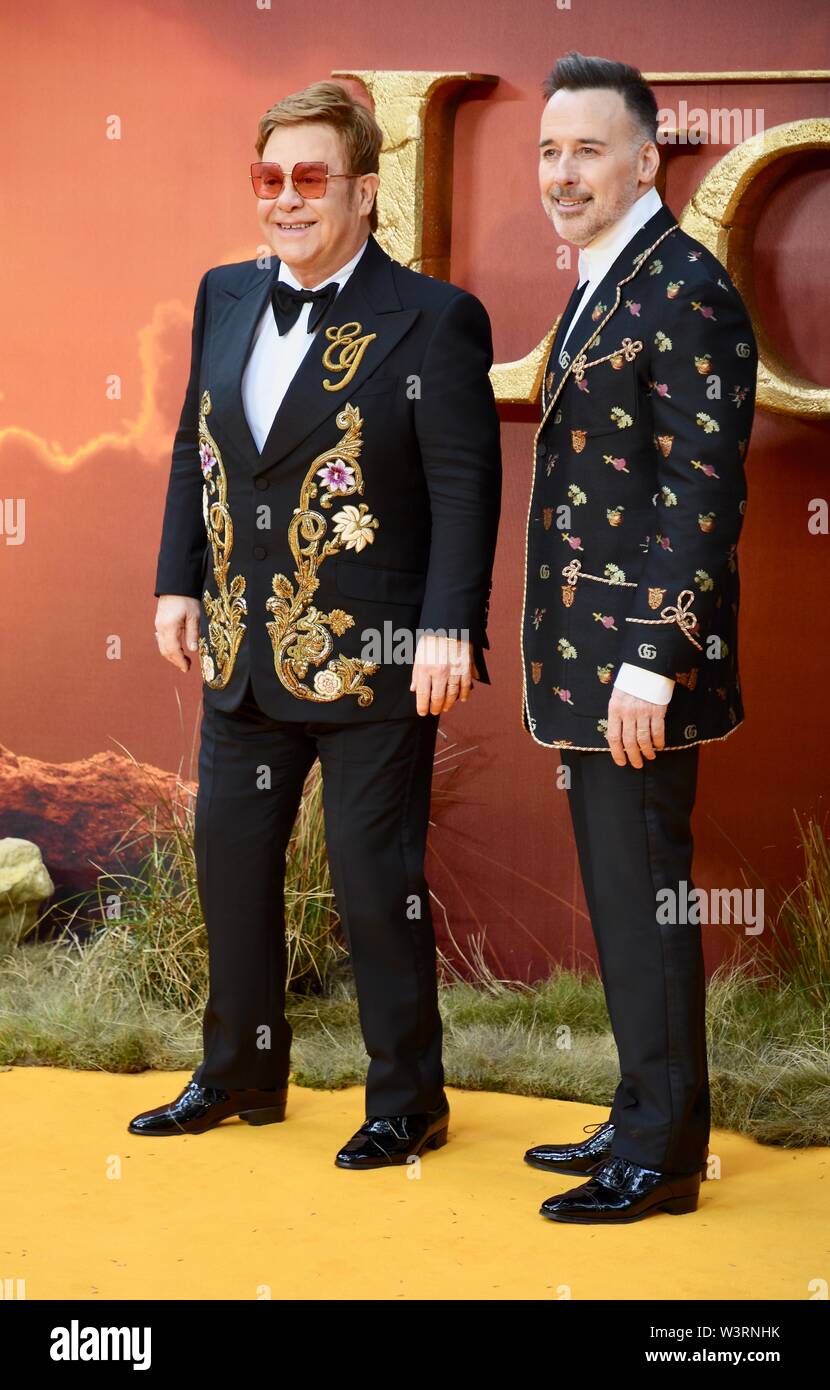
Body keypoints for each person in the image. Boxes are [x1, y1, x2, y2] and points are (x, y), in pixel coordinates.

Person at [130, 81, 502, 1168]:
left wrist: (448, 628)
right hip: (242, 647)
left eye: (308, 179)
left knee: (372, 874)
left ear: (364, 191)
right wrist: (176, 580)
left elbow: (465, 485)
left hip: (375, 656)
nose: (284, 200)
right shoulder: (223, 294)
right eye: (268, 178)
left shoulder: (433, 317)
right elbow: (193, 447)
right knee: (229, 863)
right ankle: (241, 1071)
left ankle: (406, 1099)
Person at [520, 53, 757, 1222]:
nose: (562, 173)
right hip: (592, 666)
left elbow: (701, 494)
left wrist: (649, 661)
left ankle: (661, 1159)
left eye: (586, 150)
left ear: (644, 158)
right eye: (549, 151)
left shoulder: (684, 288)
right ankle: (641, 1107)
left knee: (646, 894)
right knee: (623, 898)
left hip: (634, 671)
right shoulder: (608, 276)